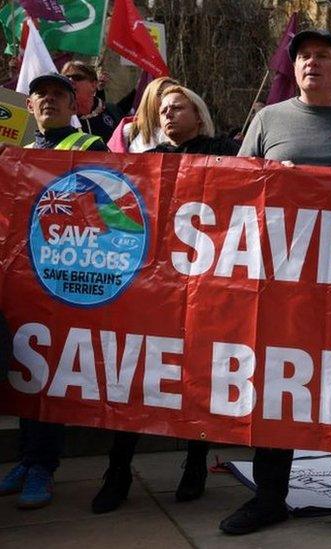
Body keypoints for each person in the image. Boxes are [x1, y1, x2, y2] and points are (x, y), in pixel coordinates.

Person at [219, 29, 331, 537]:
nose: (312, 63)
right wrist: (271, 174)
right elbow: (235, 183)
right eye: (304, 57)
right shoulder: (268, 120)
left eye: (323, 56)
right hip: (282, 284)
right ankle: (270, 497)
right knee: (278, 386)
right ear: (293, 70)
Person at [90, 86, 238, 515]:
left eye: (178, 108)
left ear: (199, 112)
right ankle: (116, 471)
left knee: (197, 377)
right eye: (163, 110)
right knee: (136, 376)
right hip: (154, 287)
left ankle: (195, 464)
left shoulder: (226, 151)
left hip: (209, 285)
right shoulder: (146, 161)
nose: (169, 115)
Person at [0, 73, 107, 509]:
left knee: (52, 371)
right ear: (29, 105)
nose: (50, 101)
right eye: (42, 95)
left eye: (60, 95)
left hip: (65, 276)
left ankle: (44, 464)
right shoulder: (14, 152)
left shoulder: (90, 148)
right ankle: (27, 457)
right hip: (18, 275)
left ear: (74, 105)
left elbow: (104, 210)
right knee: (25, 369)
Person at [108, 76, 180, 153]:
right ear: (148, 98)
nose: (166, 98)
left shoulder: (185, 132)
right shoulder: (129, 131)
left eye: (171, 94)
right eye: (159, 93)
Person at [60, 61, 120, 143]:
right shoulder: (59, 117)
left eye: (77, 77)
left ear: (93, 85)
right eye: (66, 78)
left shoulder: (112, 111)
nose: (70, 81)